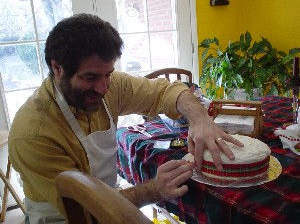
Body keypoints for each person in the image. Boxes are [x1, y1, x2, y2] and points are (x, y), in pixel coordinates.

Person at [8, 13, 243, 224]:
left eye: (108, 74)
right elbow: (86, 211)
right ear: (57, 68)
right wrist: (153, 190)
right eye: (90, 77)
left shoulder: (111, 86)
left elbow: (166, 92)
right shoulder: (33, 133)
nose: (102, 88)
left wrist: (200, 119)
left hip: (107, 199)